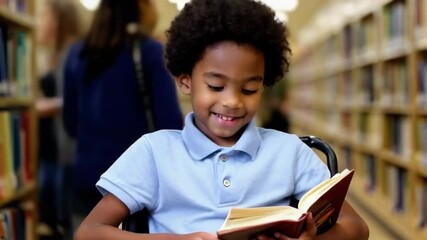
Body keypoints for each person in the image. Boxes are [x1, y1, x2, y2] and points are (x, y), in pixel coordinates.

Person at [74, 0, 370, 239]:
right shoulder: (153, 152)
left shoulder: (289, 151)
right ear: (185, 81)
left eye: (250, 89)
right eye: (216, 86)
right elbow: (89, 232)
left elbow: (356, 228)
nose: (232, 101)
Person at [62, 0, 183, 228]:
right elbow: (170, 125)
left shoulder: (77, 53)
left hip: (85, 178)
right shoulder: (149, 51)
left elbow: (70, 123)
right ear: (141, 6)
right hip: (136, 185)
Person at [35, 0, 81, 238]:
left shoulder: (70, 53)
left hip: (67, 153)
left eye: (44, 16)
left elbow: (72, 100)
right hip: (55, 149)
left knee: (66, 221)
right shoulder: (53, 55)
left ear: (59, 20)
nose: (39, 22)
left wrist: (42, 106)